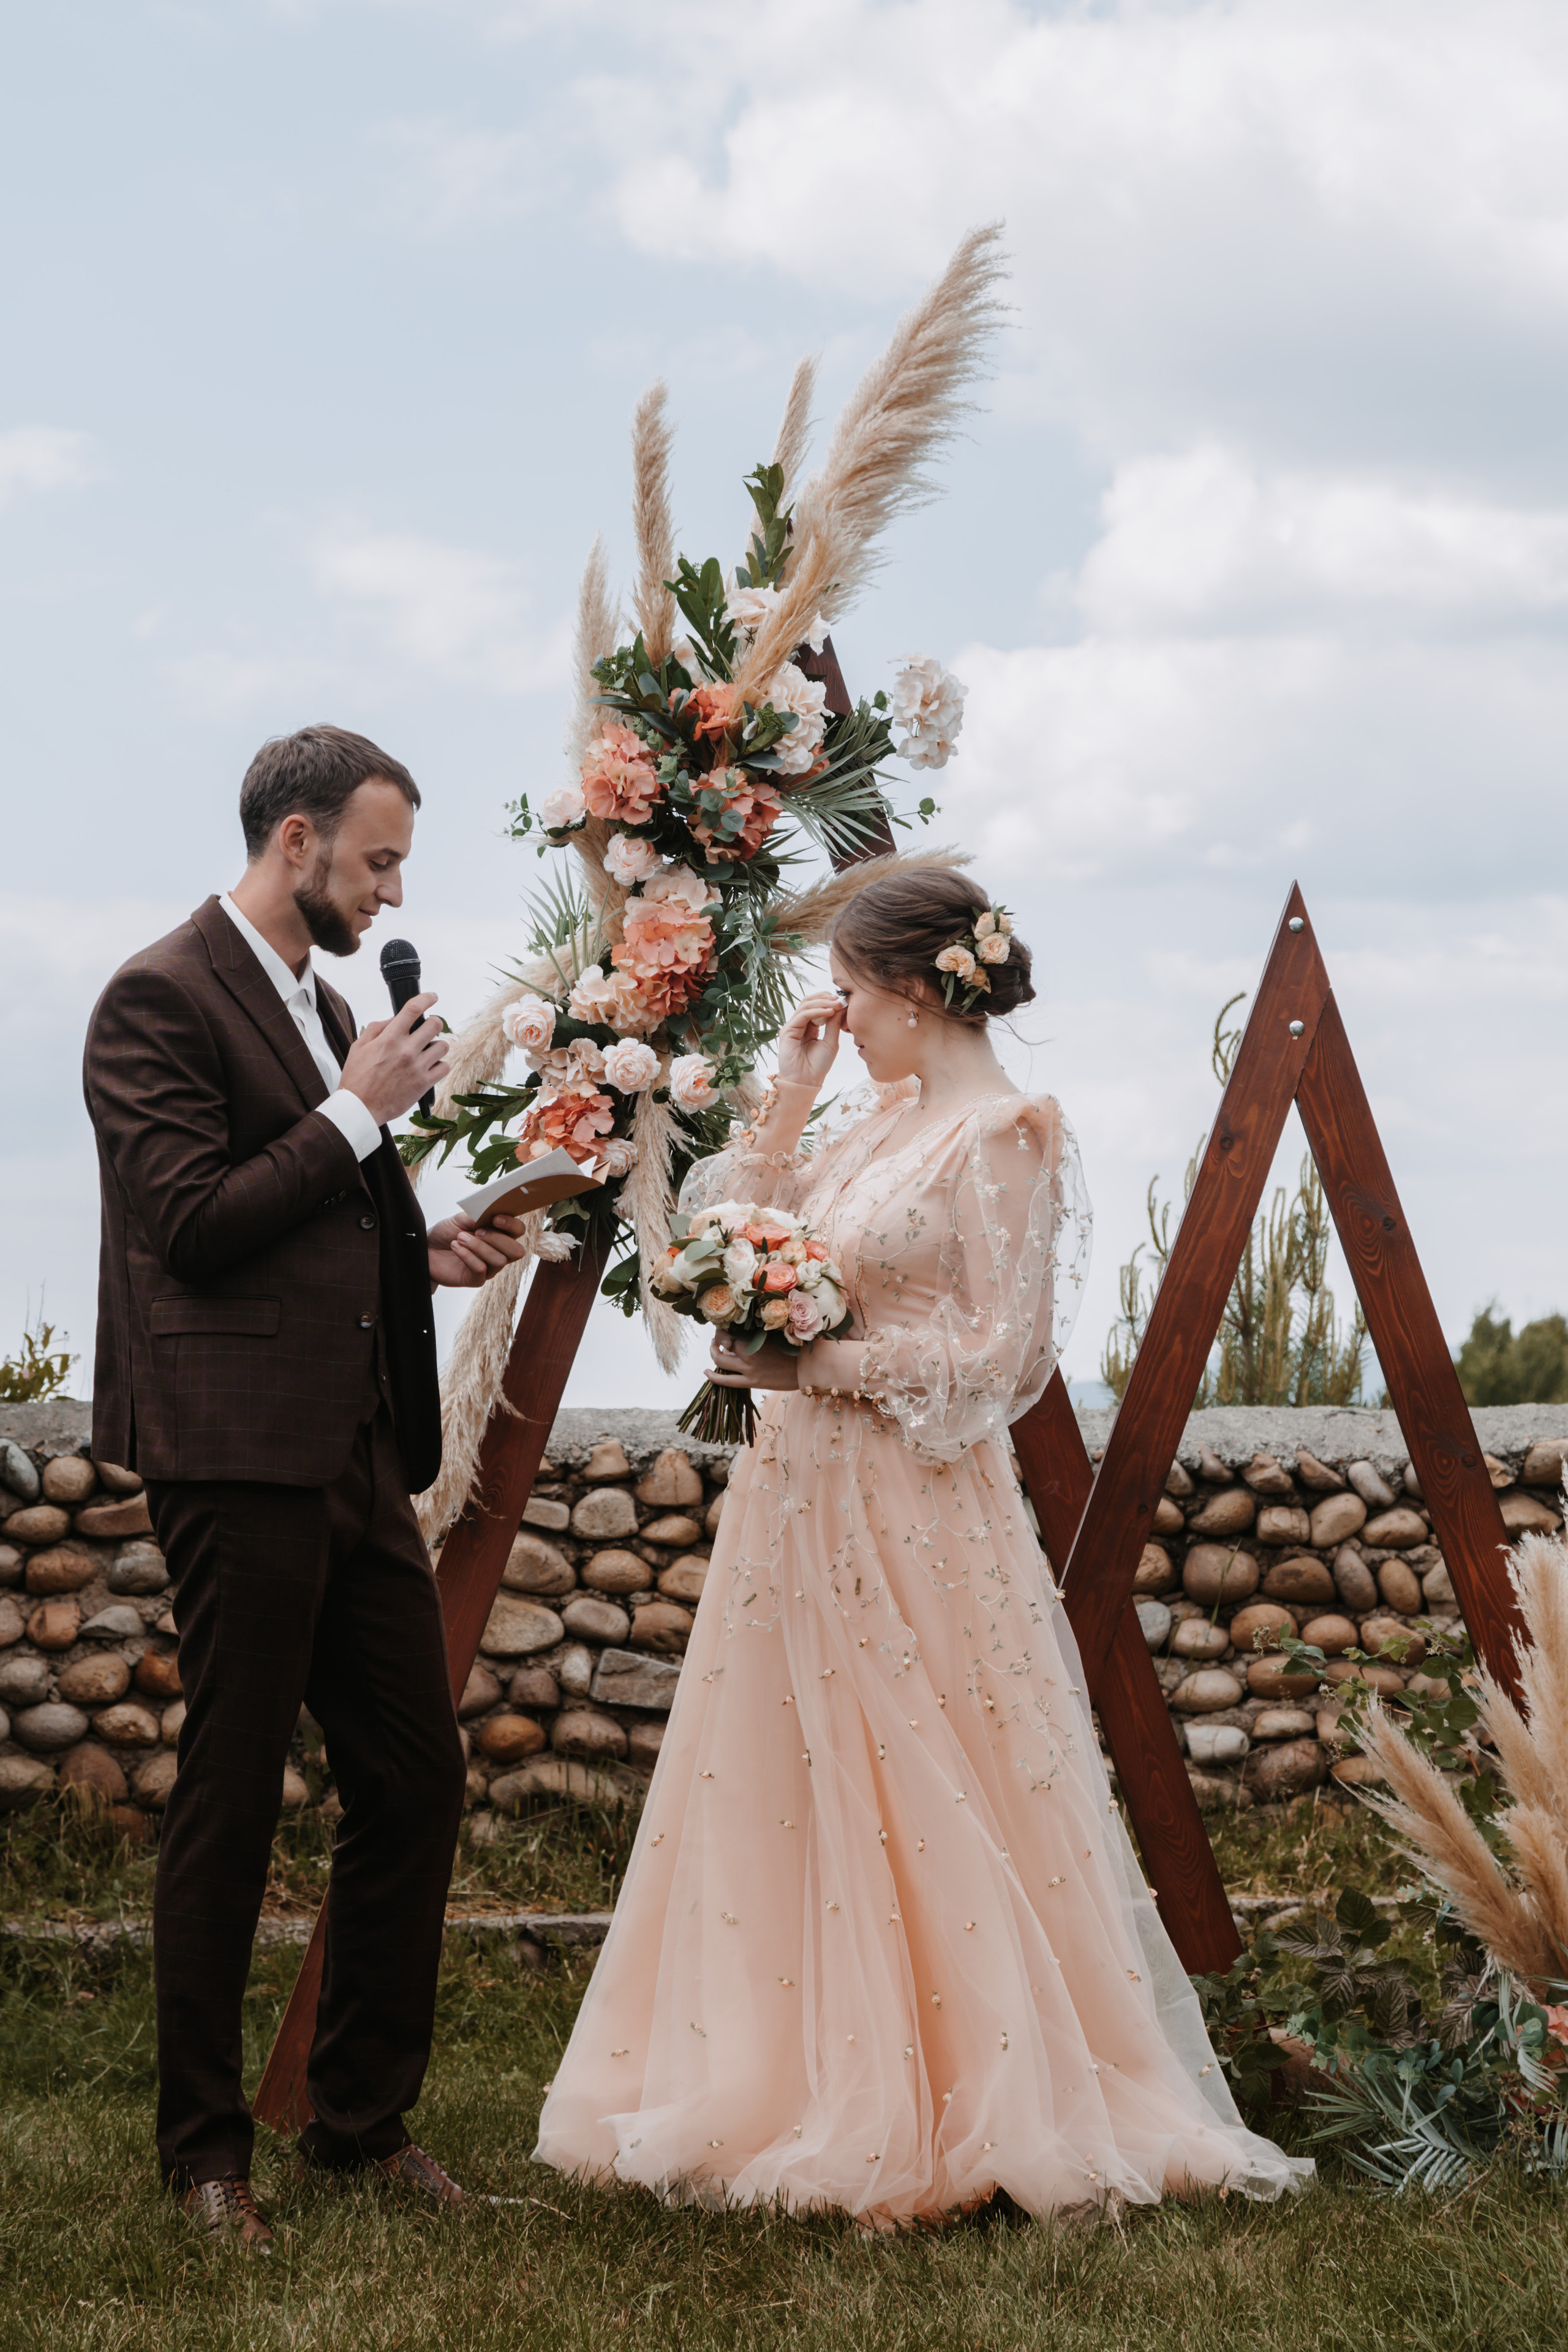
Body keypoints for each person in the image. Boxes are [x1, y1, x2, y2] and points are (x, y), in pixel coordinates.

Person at [535, 870, 1310, 2224]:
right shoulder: (875, 1119)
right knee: (782, 1769)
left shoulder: (1006, 1133)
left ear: (909, 989)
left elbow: (998, 1357)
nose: (835, 1009)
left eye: (845, 986)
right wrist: (785, 1094)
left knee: (933, 1770)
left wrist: (811, 1360)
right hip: (795, 1501)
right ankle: (778, 2075)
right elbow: (740, 1226)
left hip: (913, 1507)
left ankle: (972, 2096)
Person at [83, 725, 529, 2252]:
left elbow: (325, 1220)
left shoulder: (323, 998)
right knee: (233, 1791)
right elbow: (194, 1223)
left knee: (413, 1776)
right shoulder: (155, 997)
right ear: (295, 843)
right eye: (378, 860)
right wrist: (358, 1111)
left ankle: (359, 2126)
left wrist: (428, 1239)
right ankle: (207, 2157)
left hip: (353, 1450)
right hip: (233, 1457)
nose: (392, 892)